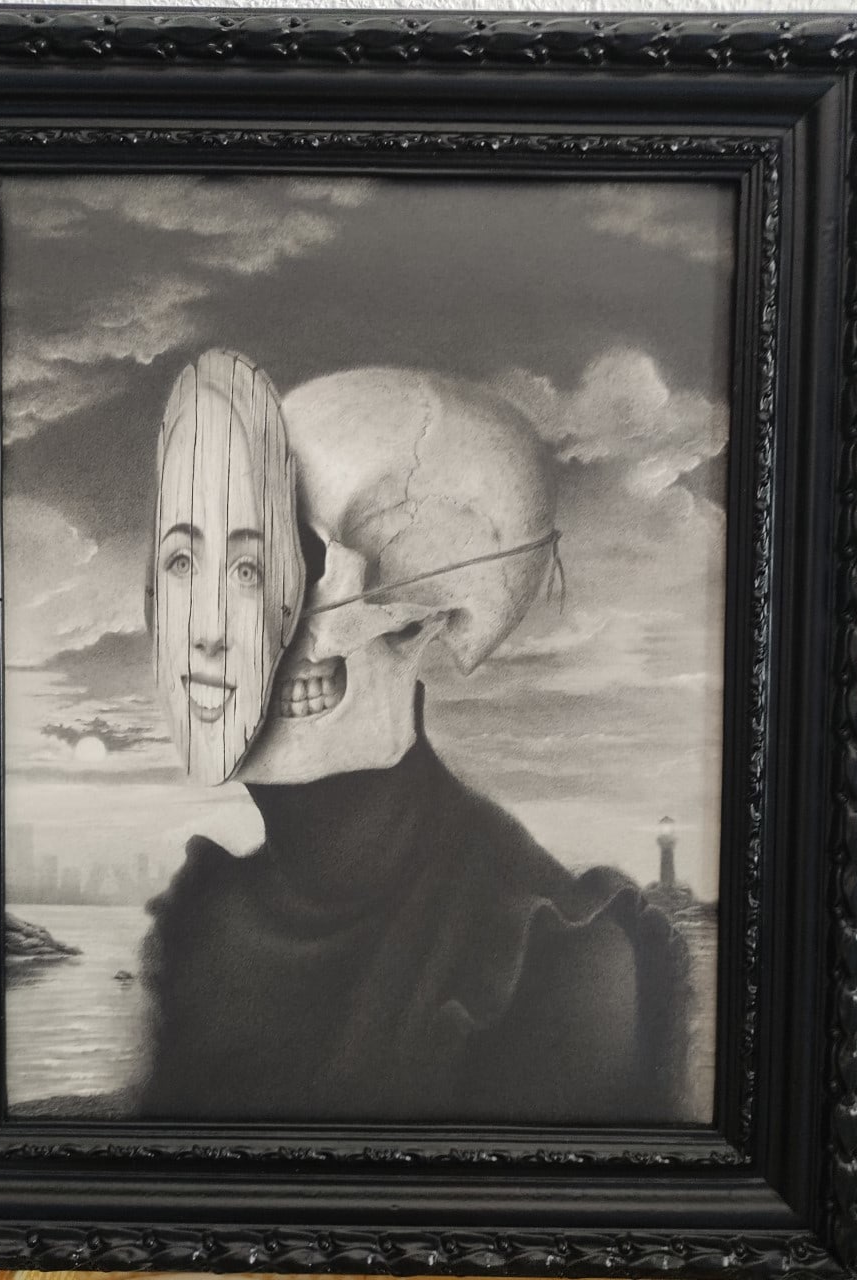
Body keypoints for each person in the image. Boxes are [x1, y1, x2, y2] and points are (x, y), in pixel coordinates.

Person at [133, 353, 692, 1123]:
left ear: (434, 617)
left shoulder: (551, 961)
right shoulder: (201, 926)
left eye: (299, 563)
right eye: (191, 562)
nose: (221, 634)